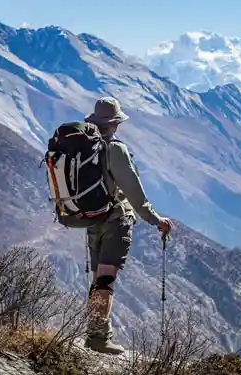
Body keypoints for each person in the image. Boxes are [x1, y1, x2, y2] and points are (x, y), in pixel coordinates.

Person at [83, 96, 173, 354]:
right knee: (106, 278)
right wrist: (155, 219)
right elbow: (133, 191)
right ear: (115, 123)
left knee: (99, 277)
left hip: (92, 219)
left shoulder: (86, 146)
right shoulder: (114, 148)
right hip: (115, 220)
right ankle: (98, 338)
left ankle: (95, 331)